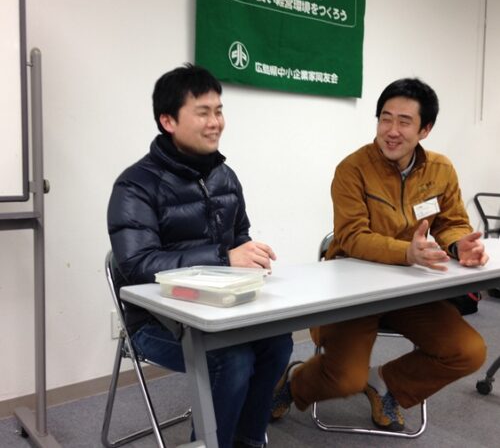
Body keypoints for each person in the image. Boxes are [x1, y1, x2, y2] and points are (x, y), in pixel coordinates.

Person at [271, 78, 488, 431]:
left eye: (404, 122)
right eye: (385, 119)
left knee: (468, 351)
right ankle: (296, 381)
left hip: (409, 290)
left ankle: (384, 382)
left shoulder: (440, 169)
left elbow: (452, 222)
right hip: (353, 291)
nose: (392, 130)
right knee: (345, 379)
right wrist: (407, 252)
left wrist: (457, 244)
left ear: (425, 129)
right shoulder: (352, 169)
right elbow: (352, 236)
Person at [107, 63, 293, 448]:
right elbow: (137, 266)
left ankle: (247, 440)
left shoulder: (225, 177)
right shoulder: (135, 186)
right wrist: (224, 258)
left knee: (278, 342)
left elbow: (239, 237)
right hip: (156, 323)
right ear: (168, 121)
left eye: (219, 111)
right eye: (203, 112)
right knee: (233, 359)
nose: (215, 123)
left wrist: (250, 258)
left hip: (221, 310)